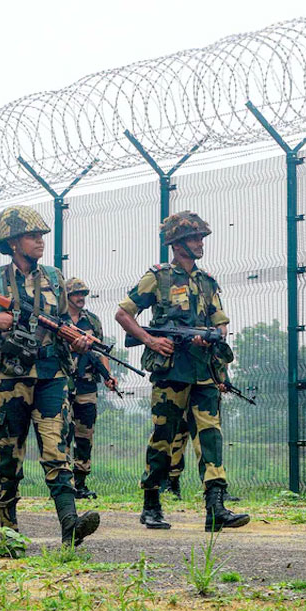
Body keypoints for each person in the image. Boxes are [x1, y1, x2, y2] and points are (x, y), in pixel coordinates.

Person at [0, 205, 100, 550]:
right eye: (32, 235)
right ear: (12, 242)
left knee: (57, 452)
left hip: (51, 376)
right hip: (10, 379)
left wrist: (79, 340)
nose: (40, 241)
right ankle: (8, 535)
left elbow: (64, 324)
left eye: (41, 235)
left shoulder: (55, 278)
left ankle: (70, 524)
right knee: (9, 456)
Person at [115, 211, 249, 532]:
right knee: (163, 438)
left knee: (210, 436)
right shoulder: (158, 278)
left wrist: (214, 337)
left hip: (204, 372)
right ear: (177, 244)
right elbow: (123, 313)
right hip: (171, 372)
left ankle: (215, 507)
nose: (200, 243)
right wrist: (150, 340)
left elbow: (221, 322)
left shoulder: (206, 282)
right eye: (194, 238)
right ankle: (151, 504)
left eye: (201, 238)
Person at [59, 277, 116, 499]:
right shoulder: (58, 320)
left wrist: (108, 376)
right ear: (67, 296)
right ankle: (64, 484)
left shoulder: (92, 321)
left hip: (87, 384)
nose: (81, 297)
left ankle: (80, 483)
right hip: (63, 383)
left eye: (83, 293)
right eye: (76, 294)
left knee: (85, 434)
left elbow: (101, 352)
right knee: (63, 432)